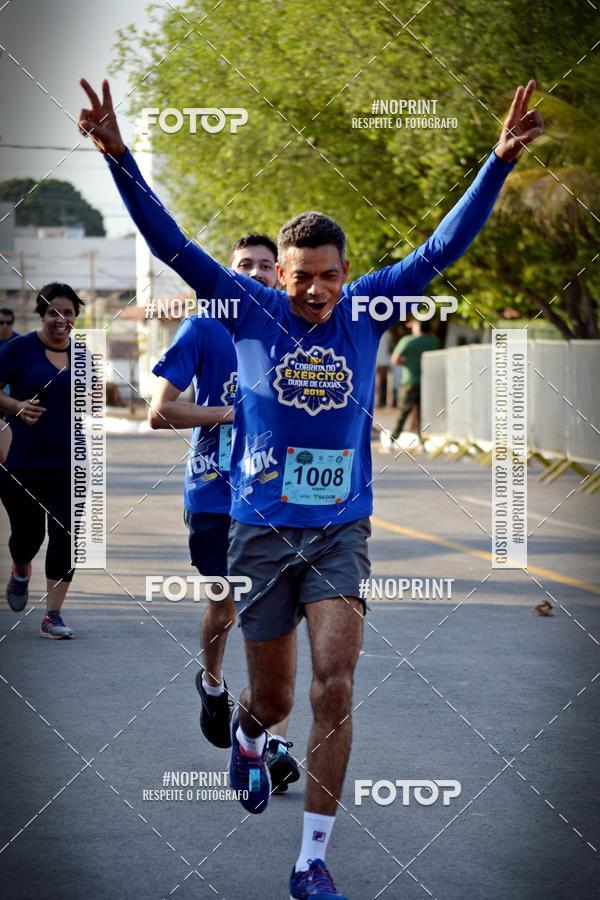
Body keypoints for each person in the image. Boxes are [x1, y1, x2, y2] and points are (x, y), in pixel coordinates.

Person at [79, 76, 543, 898]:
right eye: (300, 278)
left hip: (339, 531)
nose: (315, 291)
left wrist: (497, 164)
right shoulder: (249, 307)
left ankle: (311, 860)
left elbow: (441, 248)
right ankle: (251, 739)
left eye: (327, 276)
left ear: (346, 272)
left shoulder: (368, 308)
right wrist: (119, 158)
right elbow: (172, 245)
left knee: (335, 683)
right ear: (280, 275)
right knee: (273, 697)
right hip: (257, 529)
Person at [148, 233, 300, 792]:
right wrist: (226, 413)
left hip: (274, 499)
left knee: (275, 619)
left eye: (266, 266)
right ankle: (212, 683)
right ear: (228, 274)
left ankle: (271, 742)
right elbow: (160, 413)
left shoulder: (292, 329)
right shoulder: (205, 327)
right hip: (214, 496)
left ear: (280, 275)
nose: (257, 273)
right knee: (225, 610)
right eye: (245, 266)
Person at [0, 283, 83, 637]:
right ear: (41, 315)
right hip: (21, 462)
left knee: (66, 534)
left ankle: (53, 616)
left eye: (68, 312)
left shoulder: (84, 355)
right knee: (28, 534)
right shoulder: (18, 349)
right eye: (53, 312)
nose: (60, 319)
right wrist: (16, 406)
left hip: (68, 464)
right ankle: (21, 570)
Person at [390, 317, 440, 445]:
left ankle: (393, 440)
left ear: (418, 326)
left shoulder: (408, 340)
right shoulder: (433, 341)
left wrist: (407, 362)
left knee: (403, 412)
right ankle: (422, 442)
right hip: (426, 382)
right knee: (421, 413)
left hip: (409, 381)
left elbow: (395, 359)